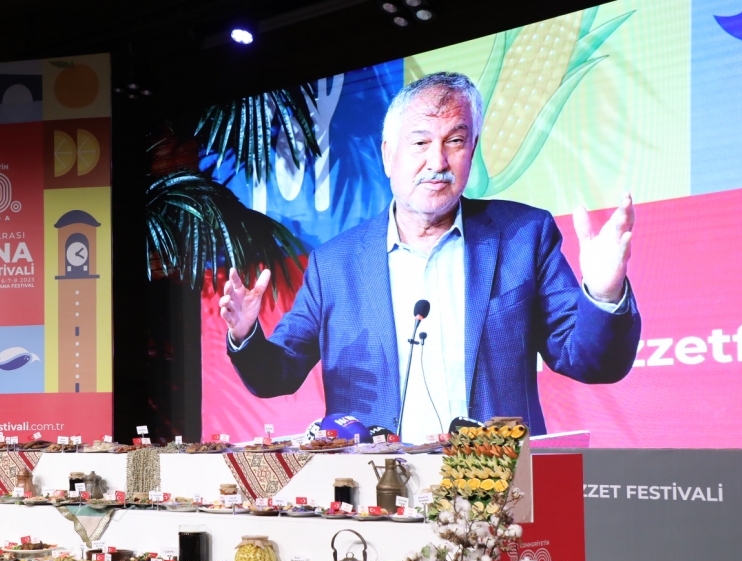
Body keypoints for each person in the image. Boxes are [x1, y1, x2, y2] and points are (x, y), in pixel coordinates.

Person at [221, 72, 642, 442]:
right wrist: (244, 334)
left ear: (472, 149)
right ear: (389, 155)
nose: (437, 162)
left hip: (492, 486)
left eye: (454, 141)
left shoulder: (523, 236)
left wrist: (604, 295)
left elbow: (591, 362)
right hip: (376, 487)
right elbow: (276, 374)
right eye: (420, 142)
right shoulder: (334, 264)